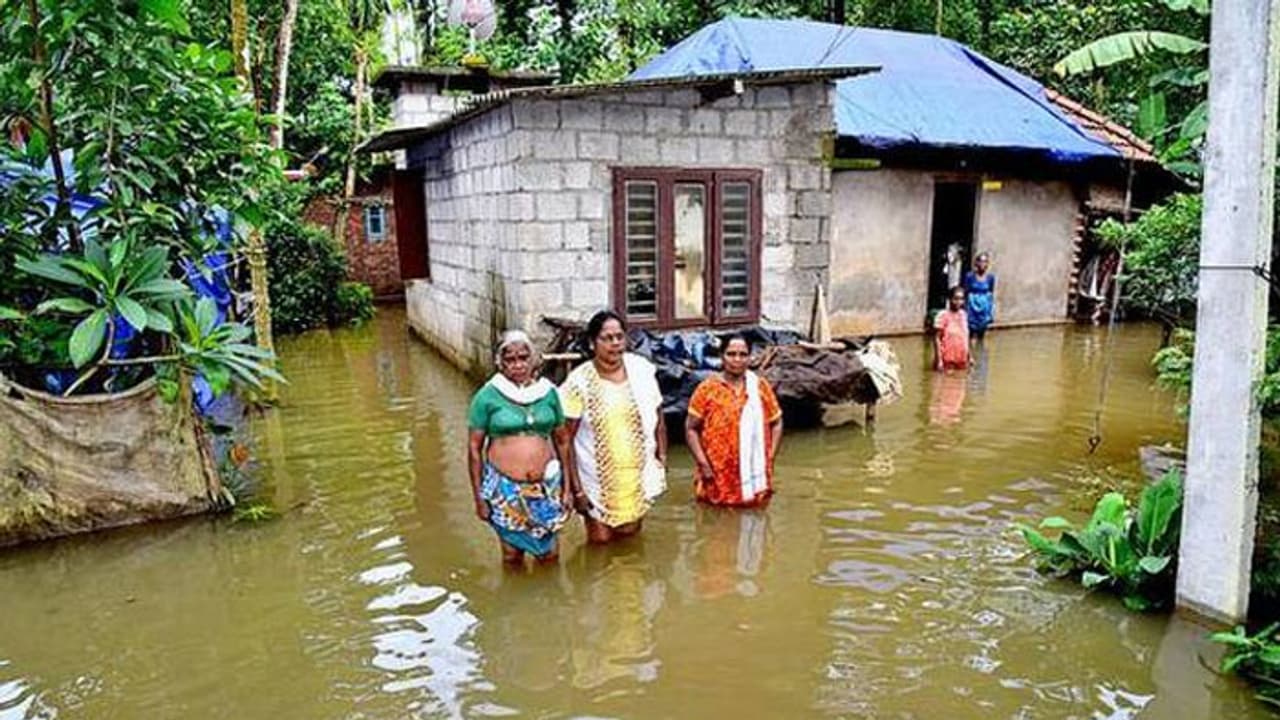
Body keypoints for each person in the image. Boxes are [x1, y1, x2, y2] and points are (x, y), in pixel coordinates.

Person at [560, 310, 667, 544]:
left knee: (630, 538)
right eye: (607, 338)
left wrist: (662, 456)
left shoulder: (641, 371)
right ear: (592, 343)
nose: (615, 343)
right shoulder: (578, 382)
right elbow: (564, 439)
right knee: (600, 542)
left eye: (619, 337)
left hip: (635, 475)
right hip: (594, 479)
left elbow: (658, 414)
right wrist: (576, 490)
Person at [467, 330, 573, 565]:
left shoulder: (548, 393)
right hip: (505, 489)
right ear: (500, 363)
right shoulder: (487, 396)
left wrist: (568, 489)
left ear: (533, 359)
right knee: (512, 555)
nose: (518, 365)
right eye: (510, 359)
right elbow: (474, 448)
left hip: (546, 488)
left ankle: (548, 591)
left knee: (550, 555)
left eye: (523, 358)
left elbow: (563, 441)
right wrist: (479, 498)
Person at [685, 336, 783, 507]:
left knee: (755, 513)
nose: (737, 360)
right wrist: (703, 464)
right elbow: (691, 429)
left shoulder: (759, 387)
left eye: (743, 354)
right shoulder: (707, 389)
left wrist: (770, 457)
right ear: (721, 357)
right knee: (717, 518)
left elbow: (776, 422)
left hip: (755, 469)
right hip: (716, 473)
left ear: (750, 358)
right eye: (731, 354)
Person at [934, 286, 970, 371]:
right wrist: (939, 360)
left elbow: (965, 337)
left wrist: (970, 356)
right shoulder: (942, 315)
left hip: (962, 359)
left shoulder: (963, 315)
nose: (958, 302)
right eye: (955, 299)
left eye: (961, 299)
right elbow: (937, 338)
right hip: (947, 359)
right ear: (949, 299)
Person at [962, 252, 996, 339]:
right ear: (976, 263)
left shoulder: (990, 277)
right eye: (980, 261)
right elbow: (966, 292)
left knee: (982, 332)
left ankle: (980, 346)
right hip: (972, 307)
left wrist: (990, 310)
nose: (982, 264)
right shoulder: (970, 276)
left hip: (984, 307)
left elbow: (990, 292)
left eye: (985, 261)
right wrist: (965, 308)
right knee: (970, 332)